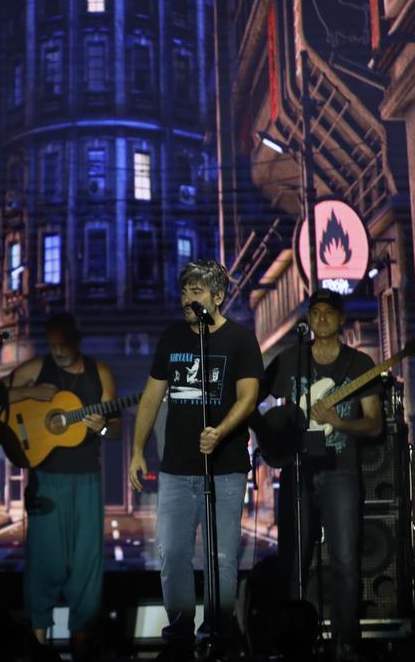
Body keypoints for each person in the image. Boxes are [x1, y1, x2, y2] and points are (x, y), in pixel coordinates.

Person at [129, 260, 263, 661]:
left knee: (221, 557)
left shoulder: (240, 339)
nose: (188, 298)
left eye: (197, 291)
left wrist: (220, 432)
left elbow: (248, 397)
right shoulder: (172, 337)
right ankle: (180, 633)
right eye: (185, 290)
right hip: (175, 468)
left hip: (225, 469)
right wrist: (137, 450)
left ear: (218, 297)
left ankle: (217, 632)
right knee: (171, 552)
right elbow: (152, 397)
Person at [261, 289, 384, 662]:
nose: (322, 318)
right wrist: (271, 436)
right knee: (294, 562)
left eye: (330, 312)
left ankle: (346, 644)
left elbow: (375, 424)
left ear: (342, 319)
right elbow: (254, 396)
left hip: (340, 473)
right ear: (309, 320)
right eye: (316, 312)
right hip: (298, 471)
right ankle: (292, 644)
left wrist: (338, 422)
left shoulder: (359, 364)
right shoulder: (290, 359)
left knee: (345, 561)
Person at [0, 313, 120, 661]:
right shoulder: (37, 368)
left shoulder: (101, 374)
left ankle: (81, 647)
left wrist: (100, 427)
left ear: (77, 340)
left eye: (63, 346)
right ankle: (38, 649)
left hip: (86, 479)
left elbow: (115, 430)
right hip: (46, 478)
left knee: (86, 565)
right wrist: (30, 391)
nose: (59, 353)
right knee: (43, 564)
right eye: (52, 346)